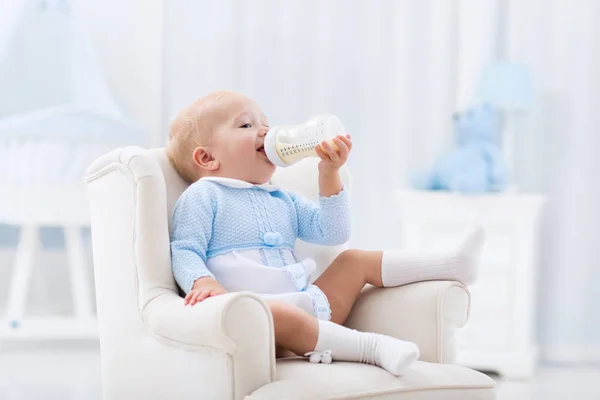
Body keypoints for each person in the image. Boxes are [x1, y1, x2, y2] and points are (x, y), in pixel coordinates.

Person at [167, 91, 484, 376]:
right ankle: (371, 348)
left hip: (313, 305)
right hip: (259, 321)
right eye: (246, 126)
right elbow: (184, 251)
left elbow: (334, 231)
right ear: (207, 158)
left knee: (353, 260)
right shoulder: (204, 195)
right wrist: (203, 282)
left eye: (266, 123)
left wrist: (329, 174)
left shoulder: (283, 198)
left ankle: (452, 264)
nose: (265, 132)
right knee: (274, 312)